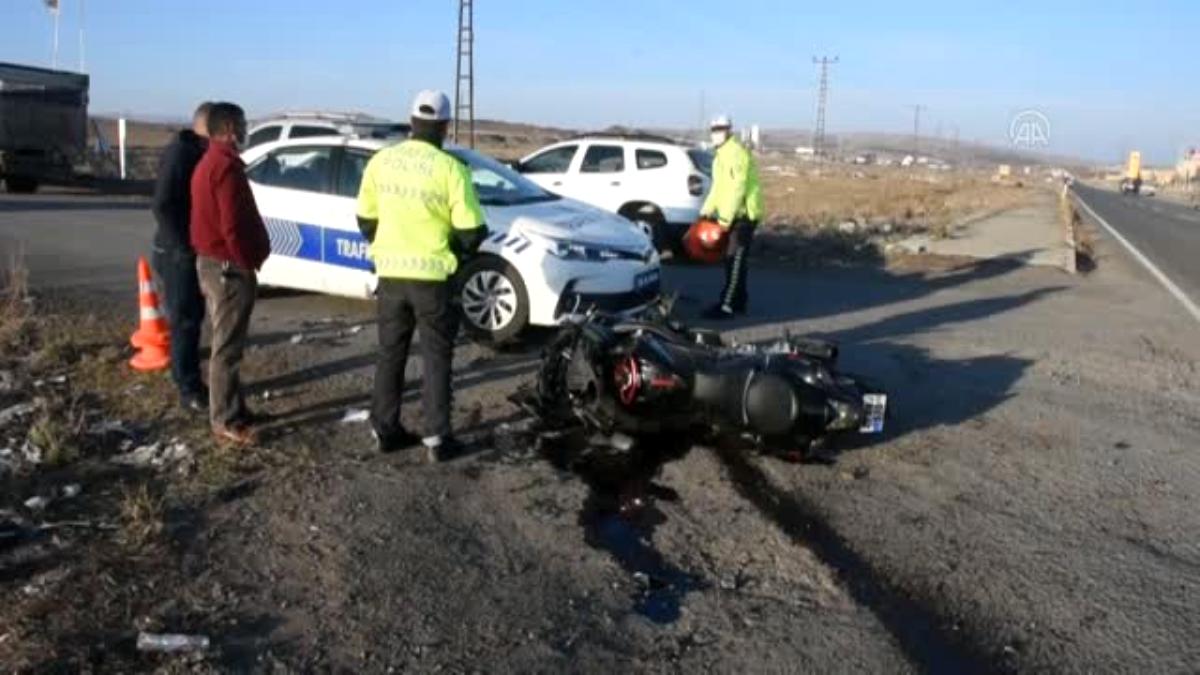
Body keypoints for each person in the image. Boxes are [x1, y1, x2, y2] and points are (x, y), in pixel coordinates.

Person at [356, 90, 487, 461]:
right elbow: (472, 231)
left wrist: (389, 245)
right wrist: (455, 253)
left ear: (411, 122)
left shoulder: (382, 162)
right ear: (445, 126)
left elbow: (365, 218)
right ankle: (437, 438)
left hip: (391, 276)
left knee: (390, 353)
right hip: (433, 278)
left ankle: (385, 429)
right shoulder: (451, 169)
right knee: (436, 357)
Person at [189, 102, 271, 446]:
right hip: (227, 268)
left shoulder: (213, 162)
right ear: (228, 129)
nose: (245, 130)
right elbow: (232, 226)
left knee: (230, 343)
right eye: (242, 124)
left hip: (218, 263)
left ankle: (235, 408)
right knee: (226, 347)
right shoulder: (224, 168)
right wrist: (246, 261)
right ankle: (224, 418)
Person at [151, 101, 212, 413]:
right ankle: (188, 387)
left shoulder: (199, 152)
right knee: (184, 320)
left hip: (191, 249)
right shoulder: (181, 154)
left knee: (193, 317)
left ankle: (190, 376)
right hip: (176, 252)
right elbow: (163, 205)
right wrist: (183, 246)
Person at [699, 114, 763, 320]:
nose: (716, 133)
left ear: (729, 131)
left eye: (720, 129)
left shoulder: (735, 153)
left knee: (733, 260)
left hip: (743, 216)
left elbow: (737, 189)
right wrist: (706, 211)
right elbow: (718, 188)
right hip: (732, 216)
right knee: (735, 261)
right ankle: (739, 302)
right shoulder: (721, 156)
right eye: (713, 130)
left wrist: (725, 220)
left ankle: (726, 306)